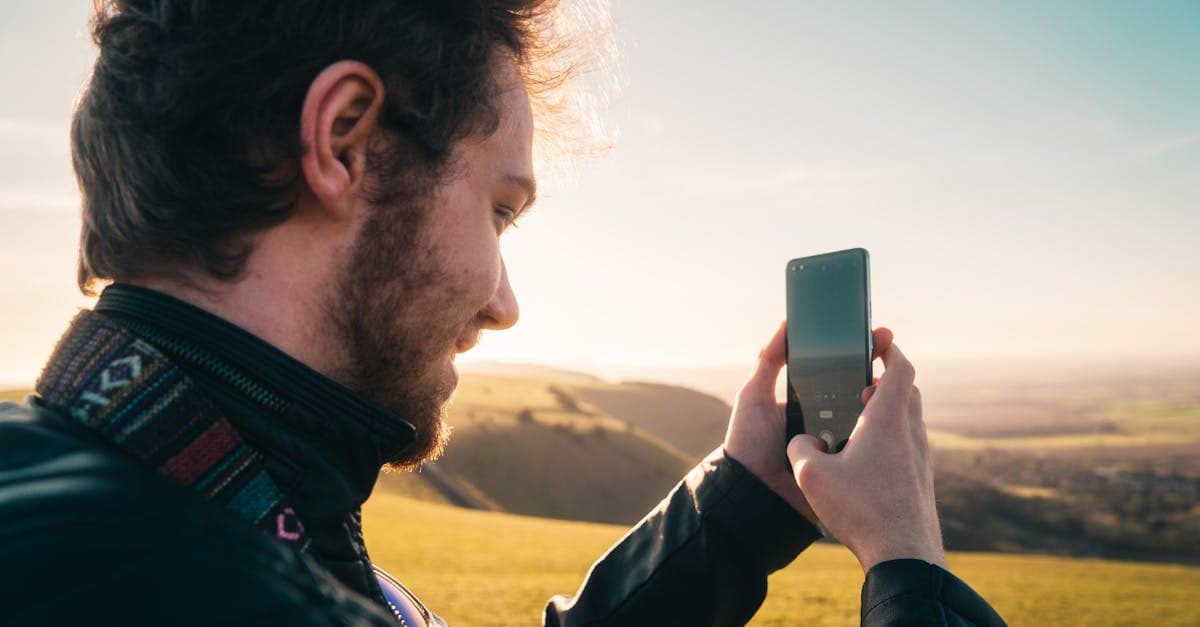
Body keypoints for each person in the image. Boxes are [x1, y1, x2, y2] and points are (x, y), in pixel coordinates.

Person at [0, 1, 1005, 625]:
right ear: (346, 140)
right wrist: (911, 566)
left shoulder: (171, 508)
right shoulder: (227, 588)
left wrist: (742, 506)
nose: (504, 303)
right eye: (498, 208)